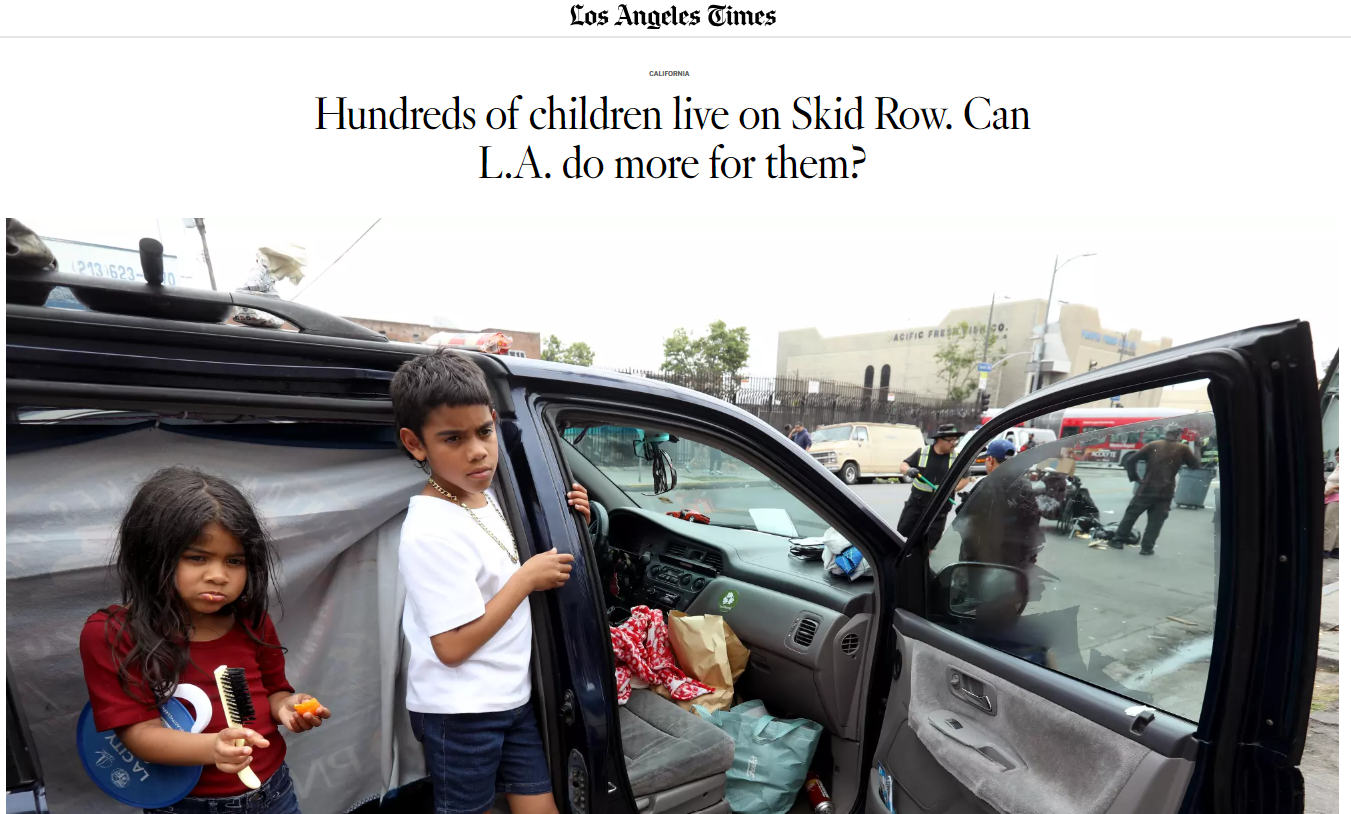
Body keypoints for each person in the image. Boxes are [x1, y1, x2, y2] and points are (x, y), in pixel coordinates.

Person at [392, 349, 590, 814]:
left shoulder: (481, 494)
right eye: (453, 438)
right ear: (416, 444)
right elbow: (452, 647)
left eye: (484, 431)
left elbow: (507, 553)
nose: (478, 450)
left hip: (511, 697)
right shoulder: (430, 529)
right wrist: (525, 581)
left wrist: (573, 514)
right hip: (460, 713)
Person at [79, 467, 330, 814]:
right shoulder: (113, 634)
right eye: (197, 557)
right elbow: (140, 735)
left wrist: (287, 706)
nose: (218, 575)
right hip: (186, 805)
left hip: (273, 792)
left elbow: (274, 691)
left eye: (234, 561)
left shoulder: (251, 620)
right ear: (151, 555)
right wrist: (213, 747)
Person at [1110, 423, 1201, 555]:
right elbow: (1196, 466)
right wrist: (1198, 448)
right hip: (1166, 491)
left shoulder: (1154, 445)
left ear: (1166, 433)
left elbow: (1130, 460)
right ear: (1178, 435)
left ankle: (1118, 540)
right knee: (1156, 521)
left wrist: (1135, 477)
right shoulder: (1183, 448)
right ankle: (1147, 547)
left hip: (1147, 488)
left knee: (1131, 514)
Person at [897, 424, 972, 551]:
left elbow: (965, 479)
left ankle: (924, 569)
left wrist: (950, 489)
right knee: (902, 538)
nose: (954, 443)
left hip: (938, 510)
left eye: (955, 440)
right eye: (950, 440)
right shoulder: (922, 453)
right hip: (916, 506)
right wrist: (909, 470)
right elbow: (903, 466)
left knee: (930, 546)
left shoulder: (957, 458)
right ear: (939, 440)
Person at [1326, 448, 1339, 559]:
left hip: (1337, 498)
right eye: (1337, 454)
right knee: (1335, 524)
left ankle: (1325, 550)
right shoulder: (1338, 466)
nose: (1338, 456)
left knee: (1329, 524)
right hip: (1331, 497)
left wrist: (1333, 487)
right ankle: (1337, 549)